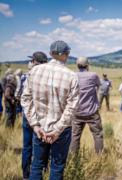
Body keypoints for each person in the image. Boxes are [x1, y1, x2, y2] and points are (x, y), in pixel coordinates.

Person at [21, 40, 79, 179]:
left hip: (40, 127)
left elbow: (25, 99)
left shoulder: (34, 71)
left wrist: (35, 125)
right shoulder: (71, 76)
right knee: (57, 166)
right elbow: (72, 107)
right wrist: (57, 130)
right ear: (67, 54)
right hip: (61, 130)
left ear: (50, 53)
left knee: (37, 165)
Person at [21, 51, 48, 180]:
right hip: (43, 115)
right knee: (43, 145)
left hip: (29, 114)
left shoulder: (30, 74)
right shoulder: (49, 75)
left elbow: (24, 97)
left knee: (27, 146)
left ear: (34, 61)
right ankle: (42, 171)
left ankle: (27, 175)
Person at [70, 57, 104, 154]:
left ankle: (73, 159)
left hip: (77, 111)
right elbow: (99, 86)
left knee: (75, 136)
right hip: (91, 111)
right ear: (88, 65)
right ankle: (99, 158)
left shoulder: (73, 75)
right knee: (97, 134)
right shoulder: (93, 75)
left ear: (77, 65)